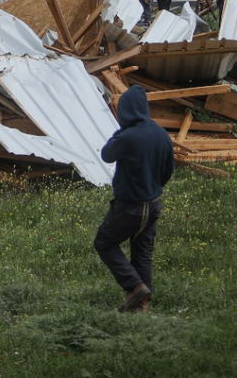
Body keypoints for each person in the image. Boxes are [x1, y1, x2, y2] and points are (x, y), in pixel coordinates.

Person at [94, 85, 174, 314]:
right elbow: (167, 170)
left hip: (129, 206)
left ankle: (135, 287)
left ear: (126, 111)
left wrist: (120, 131)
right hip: (153, 203)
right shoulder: (160, 133)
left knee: (105, 243)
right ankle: (141, 305)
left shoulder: (127, 136)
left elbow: (106, 154)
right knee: (143, 252)